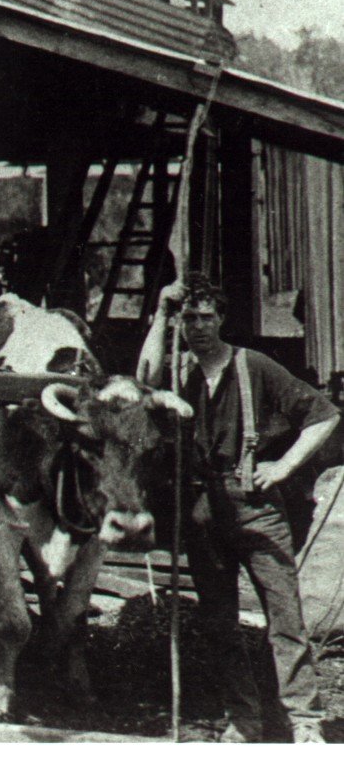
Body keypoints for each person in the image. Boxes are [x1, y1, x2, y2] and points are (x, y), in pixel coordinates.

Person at [138, 274, 339, 744]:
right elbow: (142, 380)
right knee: (219, 622)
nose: (199, 327)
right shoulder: (177, 372)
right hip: (202, 510)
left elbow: (324, 415)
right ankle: (244, 720)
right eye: (189, 318)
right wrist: (161, 315)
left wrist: (284, 467)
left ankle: (304, 722)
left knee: (285, 618)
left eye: (207, 317)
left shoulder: (255, 367)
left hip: (255, 508)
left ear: (221, 319)